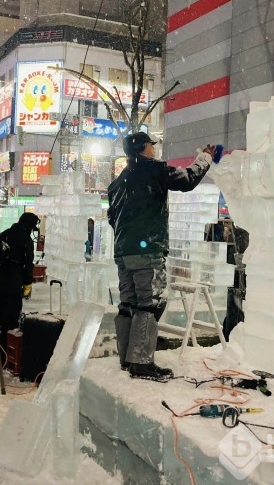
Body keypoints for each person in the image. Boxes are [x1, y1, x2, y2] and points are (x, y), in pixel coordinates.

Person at [108, 132, 215, 381]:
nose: (154, 150)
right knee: (149, 303)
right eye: (151, 146)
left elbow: (112, 218)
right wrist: (205, 158)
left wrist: (130, 239)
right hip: (148, 250)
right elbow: (187, 180)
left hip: (124, 251)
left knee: (128, 304)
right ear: (143, 148)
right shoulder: (153, 170)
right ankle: (142, 362)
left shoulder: (118, 182)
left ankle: (127, 358)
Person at [0, 212, 40, 355]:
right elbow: (27, 265)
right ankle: (3, 359)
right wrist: (27, 284)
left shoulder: (5, 234)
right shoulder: (26, 240)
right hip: (12, 286)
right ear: (30, 227)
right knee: (10, 324)